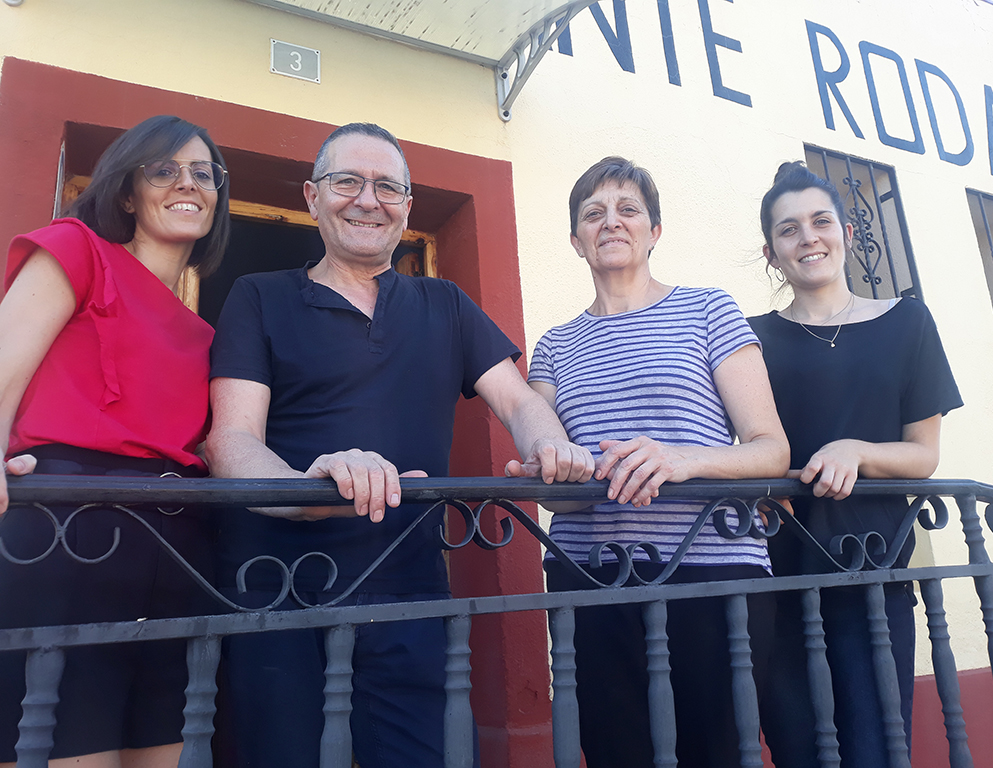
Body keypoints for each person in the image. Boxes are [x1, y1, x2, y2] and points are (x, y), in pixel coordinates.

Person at [205, 122, 594, 768]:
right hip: (279, 593)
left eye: (388, 187)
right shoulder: (258, 297)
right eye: (347, 182)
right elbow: (230, 442)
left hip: (409, 593)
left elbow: (520, 401)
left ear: (407, 207)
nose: (368, 199)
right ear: (311, 195)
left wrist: (553, 445)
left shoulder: (444, 303)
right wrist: (311, 489)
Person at [527, 156, 789, 768]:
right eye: (593, 213)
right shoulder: (553, 346)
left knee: (718, 754)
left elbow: (771, 448)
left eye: (627, 210)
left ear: (655, 230)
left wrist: (681, 460)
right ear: (575, 240)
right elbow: (555, 487)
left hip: (715, 572)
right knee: (618, 754)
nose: (611, 223)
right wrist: (547, 472)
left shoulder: (709, 310)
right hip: (592, 582)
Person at [0, 115, 230, 767]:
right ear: (127, 191)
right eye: (164, 169)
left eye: (203, 173)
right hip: (70, 536)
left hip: (178, 547)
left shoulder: (203, 334)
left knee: (165, 750)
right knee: (68, 749)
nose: (188, 184)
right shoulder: (77, 249)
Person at [747, 162, 963, 768]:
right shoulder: (750, 337)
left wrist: (857, 450)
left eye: (820, 221)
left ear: (845, 229)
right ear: (772, 252)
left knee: (875, 752)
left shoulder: (907, 321)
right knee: (799, 753)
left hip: (876, 572)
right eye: (788, 229)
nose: (807, 237)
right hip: (780, 575)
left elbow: (924, 455)